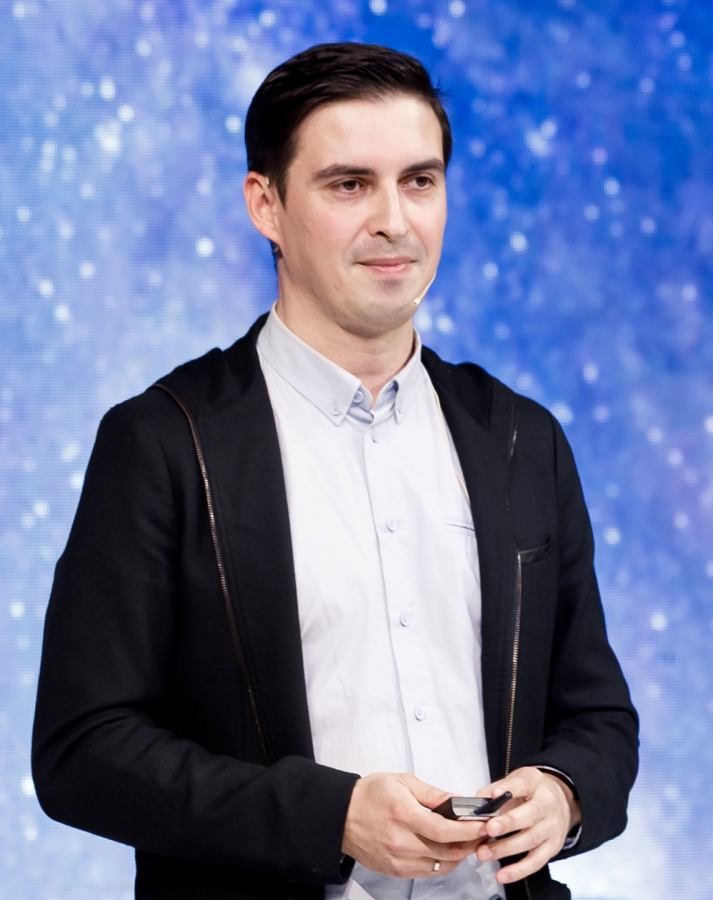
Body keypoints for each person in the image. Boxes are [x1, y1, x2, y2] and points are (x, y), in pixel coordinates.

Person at [32, 43, 638, 900]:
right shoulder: (164, 443)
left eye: (419, 181)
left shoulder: (520, 439)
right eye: (348, 185)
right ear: (266, 205)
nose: (393, 220)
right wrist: (331, 819)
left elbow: (599, 716)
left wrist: (565, 793)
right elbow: (82, 750)